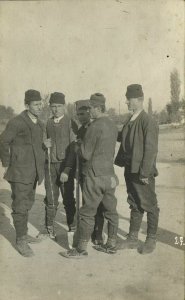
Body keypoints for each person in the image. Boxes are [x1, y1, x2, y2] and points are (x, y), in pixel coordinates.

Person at [62, 93, 119, 258]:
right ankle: (111, 244)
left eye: (91, 108)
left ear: (98, 108)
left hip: (94, 176)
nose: (89, 111)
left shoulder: (94, 127)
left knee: (87, 212)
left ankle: (80, 249)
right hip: (109, 175)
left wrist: (78, 146)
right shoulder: (112, 125)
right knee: (111, 211)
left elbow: (86, 154)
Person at [115, 84, 160, 254]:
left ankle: (151, 239)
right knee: (134, 202)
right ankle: (132, 238)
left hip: (141, 172)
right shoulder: (130, 118)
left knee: (150, 204)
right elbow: (121, 136)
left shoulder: (147, 121)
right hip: (130, 168)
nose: (127, 102)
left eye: (130, 99)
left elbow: (150, 149)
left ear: (140, 100)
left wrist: (145, 173)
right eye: (127, 99)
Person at [0, 90, 46, 257]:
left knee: (28, 203)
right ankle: (20, 240)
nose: (40, 107)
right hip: (19, 173)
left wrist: (44, 145)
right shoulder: (17, 122)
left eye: (41, 104)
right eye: (36, 104)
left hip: (33, 173)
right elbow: (3, 141)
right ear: (27, 106)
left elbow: (35, 146)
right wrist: (6, 163)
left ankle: (24, 233)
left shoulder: (39, 123)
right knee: (20, 206)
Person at [63, 99, 105, 246]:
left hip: (94, 172)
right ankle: (87, 232)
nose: (80, 117)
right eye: (78, 114)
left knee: (97, 204)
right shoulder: (80, 130)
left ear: (90, 112)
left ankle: (98, 233)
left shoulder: (96, 127)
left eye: (83, 113)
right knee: (87, 204)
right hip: (82, 173)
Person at [39, 92, 76, 239]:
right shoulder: (47, 123)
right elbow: (41, 142)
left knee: (68, 198)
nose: (55, 109)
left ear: (64, 106)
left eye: (59, 106)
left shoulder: (70, 122)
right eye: (53, 106)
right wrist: (43, 144)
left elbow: (74, 148)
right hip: (50, 167)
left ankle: (72, 227)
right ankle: (49, 228)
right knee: (51, 198)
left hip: (65, 167)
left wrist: (67, 169)